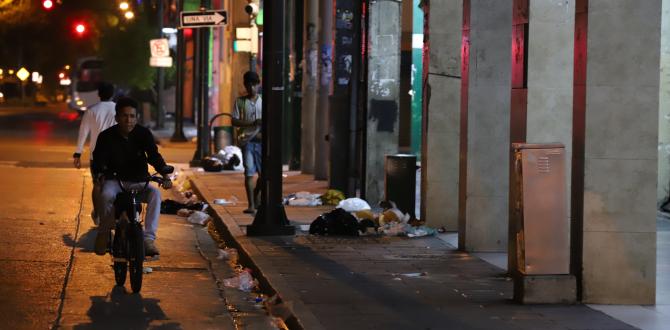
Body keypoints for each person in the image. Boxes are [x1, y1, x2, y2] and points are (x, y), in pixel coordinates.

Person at [92, 97, 172, 256]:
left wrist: (165, 175)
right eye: (124, 116)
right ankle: (106, 231)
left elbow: (154, 156)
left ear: (137, 117)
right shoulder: (106, 136)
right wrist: (100, 173)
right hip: (115, 181)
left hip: (139, 181)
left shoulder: (143, 133)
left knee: (155, 194)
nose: (128, 120)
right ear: (116, 118)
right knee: (106, 194)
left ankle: (148, 239)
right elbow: (98, 159)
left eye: (132, 116)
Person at [73, 82, 117, 225]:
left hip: (97, 156)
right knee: (116, 184)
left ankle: (97, 214)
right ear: (113, 94)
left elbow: (83, 132)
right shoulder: (118, 109)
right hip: (115, 154)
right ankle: (113, 212)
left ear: (98, 94)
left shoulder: (91, 110)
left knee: (97, 184)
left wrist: (77, 154)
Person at [232, 71, 262, 214]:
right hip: (247, 141)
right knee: (249, 173)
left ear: (258, 85)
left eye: (254, 85)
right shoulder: (240, 102)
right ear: (245, 86)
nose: (251, 88)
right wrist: (252, 123)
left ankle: (257, 197)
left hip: (261, 142)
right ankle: (251, 204)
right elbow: (234, 120)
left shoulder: (263, 101)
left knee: (263, 175)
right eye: (249, 85)